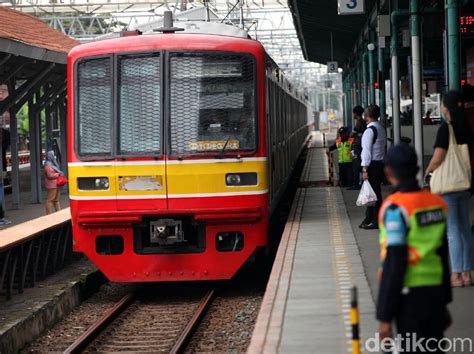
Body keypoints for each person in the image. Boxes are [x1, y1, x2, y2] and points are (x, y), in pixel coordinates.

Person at [377, 144, 452, 352]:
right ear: (418, 170)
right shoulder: (437, 203)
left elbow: (395, 262)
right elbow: (442, 252)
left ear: (388, 172)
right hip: (435, 291)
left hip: (409, 296)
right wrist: (445, 301)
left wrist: (384, 316)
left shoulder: (395, 208)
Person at [426, 91, 473, 287]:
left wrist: (428, 172)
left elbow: (438, 157)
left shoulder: (447, 129)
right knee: (465, 230)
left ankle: (456, 275)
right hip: (465, 183)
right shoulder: (466, 128)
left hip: (449, 187)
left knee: (452, 231)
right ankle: (468, 274)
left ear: (446, 107)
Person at [360, 105, 386, 230]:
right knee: (373, 193)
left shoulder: (369, 131)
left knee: (373, 194)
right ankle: (369, 217)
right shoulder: (381, 128)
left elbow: (366, 151)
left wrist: (364, 169)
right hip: (379, 164)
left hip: (371, 165)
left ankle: (376, 220)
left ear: (366, 116)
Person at [349, 105, 366, 190]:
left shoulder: (359, 122)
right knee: (359, 164)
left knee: (356, 165)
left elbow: (352, 134)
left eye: (353, 113)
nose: (353, 115)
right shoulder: (362, 121)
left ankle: (356, 184)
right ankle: (360, 182)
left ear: (356, 113)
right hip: (360, 145)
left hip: (358, 146)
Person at [44, 150, 63, 215]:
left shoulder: (53, 163)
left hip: (57, 184)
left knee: (56, 200)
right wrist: (58, 174)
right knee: (50, 200)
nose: (53, 156)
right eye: (52, 155)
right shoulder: (47, 165)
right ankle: (48, 214)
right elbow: (50, 175)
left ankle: (59, 213)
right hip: (51, 185)